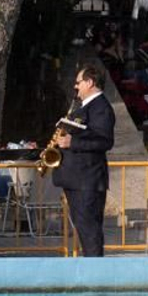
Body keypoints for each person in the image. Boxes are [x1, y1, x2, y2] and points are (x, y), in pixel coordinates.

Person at [52, 64, 116, 257]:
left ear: (90, 82)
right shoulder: (82, 107)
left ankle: (95, 272)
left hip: (87, 180)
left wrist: (73, 141)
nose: (76, 87)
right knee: (83, 227)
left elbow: (104, 140)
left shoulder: (101, 107)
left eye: (78, 82)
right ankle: (90, 266)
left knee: (90, 230)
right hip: (76, 179)